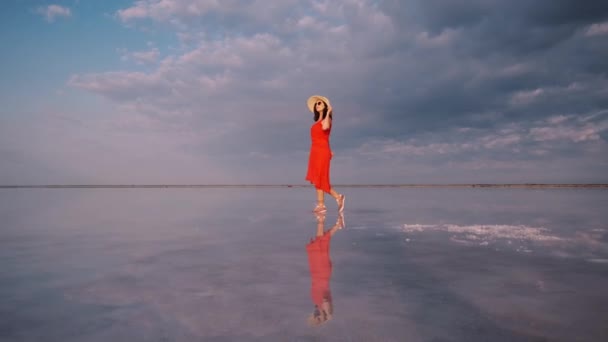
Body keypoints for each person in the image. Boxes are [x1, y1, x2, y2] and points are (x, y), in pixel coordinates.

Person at [305, 95, 346, 214]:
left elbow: (326, 127)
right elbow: (324, 137)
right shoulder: (317, 121)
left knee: (322, 177)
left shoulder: (327, 120)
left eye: (320, 103)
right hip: (315, 151)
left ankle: (338, 197)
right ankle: (321, 205)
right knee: (317, 177)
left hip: (322, 151)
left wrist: (328, 113)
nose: (317, 105)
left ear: (325, 106)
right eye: (316, 104)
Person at [306, 211, 345, 327]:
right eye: (317, 316)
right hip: (321, 272)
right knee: (319, 244)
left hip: (316, 271)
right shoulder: (323, 304)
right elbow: (326, 301)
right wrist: (327, 316)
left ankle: (336, 224)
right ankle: (321, 218)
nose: (315, 314)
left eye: (314, 315)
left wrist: (323, 314)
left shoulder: (316, 301)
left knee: (320, 244)